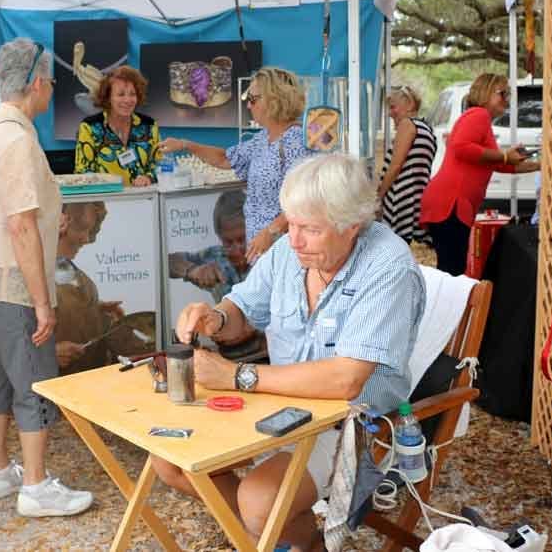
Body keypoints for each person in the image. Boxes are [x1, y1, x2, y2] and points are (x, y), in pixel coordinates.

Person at [151, 153, 425, 551]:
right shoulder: (290, 252)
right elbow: (242, 309)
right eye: (290, 223)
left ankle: (286, 538)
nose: (293, 239)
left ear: (351, 226)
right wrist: (216, 317)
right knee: (171, 461)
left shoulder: (387, 267)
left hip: (351, 423)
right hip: (280, 406)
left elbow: (346, 379)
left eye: (309, 229)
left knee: (260, 501)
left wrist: (236, 376)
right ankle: (269, 536)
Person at [0, 38, 93, 517]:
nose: (52, 89)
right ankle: (35, 486)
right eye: (51, 81)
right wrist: (41, 301)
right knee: (35, 379)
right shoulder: (17, 140)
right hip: (11, 282)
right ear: (36, 82)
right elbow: (20, 225)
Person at [160, 67, 312, 262]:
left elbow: (305, 200)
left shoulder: (296, 142)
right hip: (262, 251)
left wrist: (271, 232)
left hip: (286, 248)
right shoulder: (262, 139)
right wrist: (185, 144)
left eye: (253, 99)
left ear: (274, 99)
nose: (248, 106)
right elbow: (225, 158)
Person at [420, 74, 540, 275]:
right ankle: (447, 306)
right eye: (503, 94)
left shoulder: (480, 119)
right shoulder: (478, 115)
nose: (507, 100)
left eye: (508, 95)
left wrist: (537, 165)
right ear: (485, 93)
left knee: (451, 268)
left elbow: (501, 165)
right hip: (451, 203)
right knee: (452, 270)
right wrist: (503, 155)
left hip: (451, 203)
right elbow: (460, 147)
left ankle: (446, 305)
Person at [54, 202, 150, 374]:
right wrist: (49, 354)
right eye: (82, 228)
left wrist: (94, 310)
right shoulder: (24, 276)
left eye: (91, 231)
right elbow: (1, 339)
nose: (87, 239)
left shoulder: (77, 275)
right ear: (60, 222)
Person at [74, 65, 159, 187]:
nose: (127, 100)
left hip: (144, 199)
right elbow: (82, 172)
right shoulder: (89, 127)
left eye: (132, 94)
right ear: (108, 97)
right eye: (121, 94)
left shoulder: (149, 125)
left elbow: (159, 164)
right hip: (103, 201)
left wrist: (148, 177)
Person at [376, 85, 437, 242]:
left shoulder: (407, 125)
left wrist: (378, 196)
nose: (390, 113)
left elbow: (395, 166)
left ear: (409, 104)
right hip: (414, 199)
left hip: (400, 200)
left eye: (393, 107)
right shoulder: (427, 129)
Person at [168, 189, 249, 304]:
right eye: (228, 242)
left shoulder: (270, 255)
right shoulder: (215, 256)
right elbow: (167, 262)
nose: (237, 249)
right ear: (219, 236)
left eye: (242, 239)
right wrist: (193, 270)